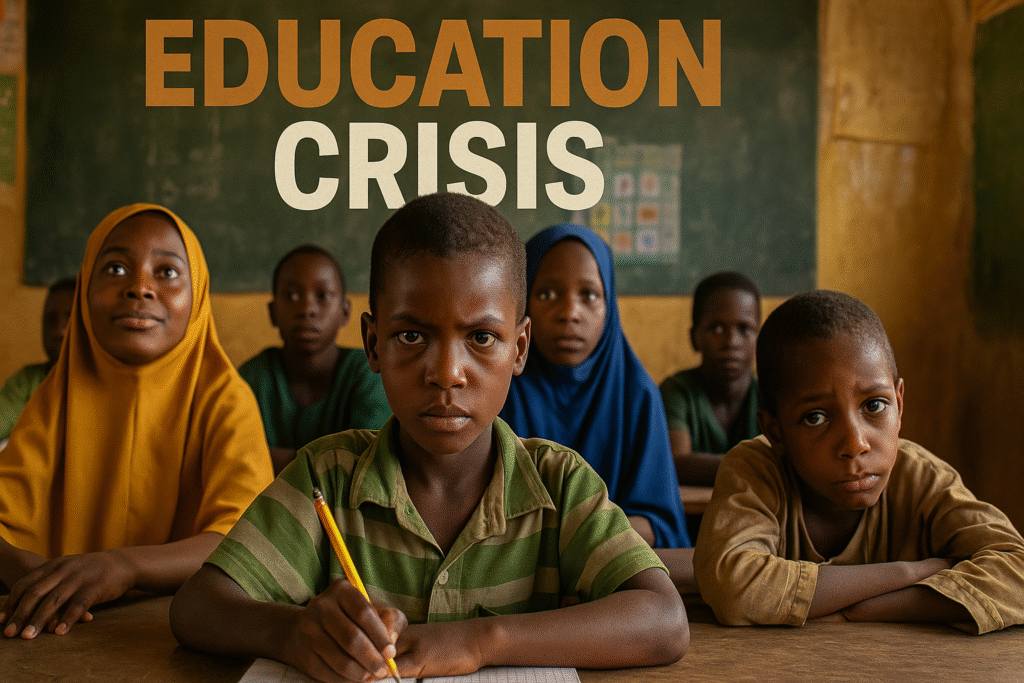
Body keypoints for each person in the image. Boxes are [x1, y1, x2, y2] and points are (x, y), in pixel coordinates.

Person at [170, 193, 688, 681]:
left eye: (481, 337)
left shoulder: (559, 483)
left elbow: (664, 620)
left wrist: (481, 641)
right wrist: (292, 632)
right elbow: (197, 607)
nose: (446, 373)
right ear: (373, 344)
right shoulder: (326, 477)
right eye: (412, 335)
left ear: (520, 348)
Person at [0, 203, 274, 640]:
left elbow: (243, 540)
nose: (139, 288)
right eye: (115, 269)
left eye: (167, 272)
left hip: (171, 634)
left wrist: (122, 567)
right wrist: (38, 580)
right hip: (56, 632)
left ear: (198, 294)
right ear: (84, 289)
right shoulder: (54, 398)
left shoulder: (226, 400)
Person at [693, 289, 1024, 634]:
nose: (855, 444)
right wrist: (911, 572)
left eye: (874, 405)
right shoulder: (756, 471)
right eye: (815, 417)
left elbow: (1017, 571)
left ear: (899, 405)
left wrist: (862, 611)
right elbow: (735, 587)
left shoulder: (921, 477)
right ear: (775, 432)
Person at [500, 224, 690, 550]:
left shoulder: (637, 395)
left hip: (611, 562)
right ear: (522, 303)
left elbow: (660, 525)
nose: (569, 313)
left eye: (589, 295)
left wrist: (572, 531)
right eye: (546, 294)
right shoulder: (499, 389)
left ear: (610, 305)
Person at [238, 244, 391, 474]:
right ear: (272, 312)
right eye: (291, 295)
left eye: (323, 295)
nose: (307, 309)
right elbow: (232, 461)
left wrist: (273, 459)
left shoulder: (369, 374)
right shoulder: (251, 378)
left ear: (345, 312)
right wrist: (331, 464)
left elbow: (369, 464)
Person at [659, 272, 762, 487]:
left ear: (759, 339)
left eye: (744, 329)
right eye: (716, 328)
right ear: (694, 337)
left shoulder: (772, 395)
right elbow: (674, 464)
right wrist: (759, 466)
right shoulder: (677, 391)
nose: (731, 342)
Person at [0, 278, 76, 446]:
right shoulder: (27, 381)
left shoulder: (112, 381)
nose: (59, 331)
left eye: (70, 318)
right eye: (51, 320)